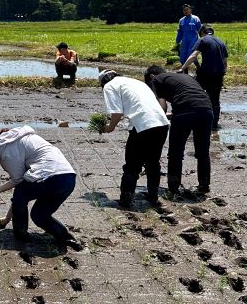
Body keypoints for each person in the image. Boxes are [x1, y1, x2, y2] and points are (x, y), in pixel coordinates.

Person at [0, 127, 81, 251]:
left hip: (48, 178)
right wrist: (6, 219)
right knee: (39, 215)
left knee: (21, 193)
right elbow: (22, 187)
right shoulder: (19, 137)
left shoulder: (5, 152)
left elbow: (17, 183)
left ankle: (20, 234)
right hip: (68, 178)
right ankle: (67, 238)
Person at [98, 70, 170, 209]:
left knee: (132, 164)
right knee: (153, 163)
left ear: (103, 82)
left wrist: (110, 127)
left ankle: (126, 199)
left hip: (143, 125)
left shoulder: (110, 86)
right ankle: (153, 196)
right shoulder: (136, 82)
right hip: (161, 123)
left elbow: (117, 112)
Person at [144, 65, 214, 196]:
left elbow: (162, 107)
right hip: (206, 109)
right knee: (203, 152)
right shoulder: (183, 77)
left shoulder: (155, 80)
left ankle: (174, 188)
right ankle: (204, 185)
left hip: (184, 110)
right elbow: (192, 100)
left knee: (175, 153)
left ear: (151, 76)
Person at [179, 25, 228, 128]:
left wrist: (182, 68)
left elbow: (193, 55)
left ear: (202, 32)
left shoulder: (203, 40)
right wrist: (223, 72)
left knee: (194, 92)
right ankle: (214, 123)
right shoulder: (221, 42)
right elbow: (225, 61)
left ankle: (192, 117)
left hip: (206, 72)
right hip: (219, 73)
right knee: (215, 99)